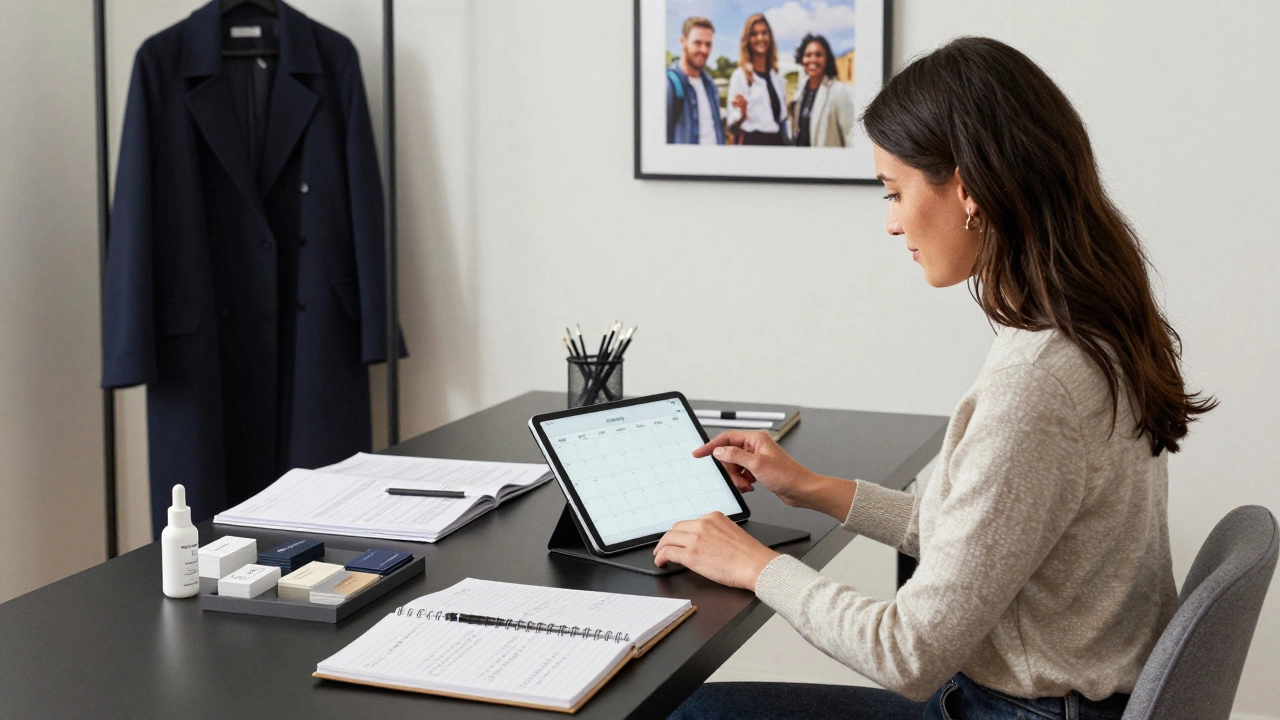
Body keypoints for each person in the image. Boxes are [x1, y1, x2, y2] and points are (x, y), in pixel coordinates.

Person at [662, 36, 1216, 719]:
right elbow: (985, 541)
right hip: (1056, 704)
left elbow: (907, 653)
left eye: (894, 192)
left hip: (1017, 712)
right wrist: (813, 490)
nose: (891, 223)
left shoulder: (1038, 382)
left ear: (968, 187)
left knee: (688, 711)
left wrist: (753, 565)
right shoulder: (1088, 330)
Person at [725, 14, 789, 145]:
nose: (760, 38)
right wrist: (742, 114)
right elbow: (730, 121)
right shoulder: (740, 76)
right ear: (747, 40)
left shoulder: (776, 76)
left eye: (764, 33)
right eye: (754, 34)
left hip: (777, 141)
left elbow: (782, 117)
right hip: (753, 142)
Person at [789, 33, 855, 147]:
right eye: (808, 55)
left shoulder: (838, 91)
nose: (813, 59)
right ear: (802, 59)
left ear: (827, 59)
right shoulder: (799, 93)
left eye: (818, 55)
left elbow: (850, 135)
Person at [666, 17, 725, 145]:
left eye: (708, 44)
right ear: (683, 42)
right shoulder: (669, 84)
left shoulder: (710, 85)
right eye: (697, 43)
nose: (704, 50)